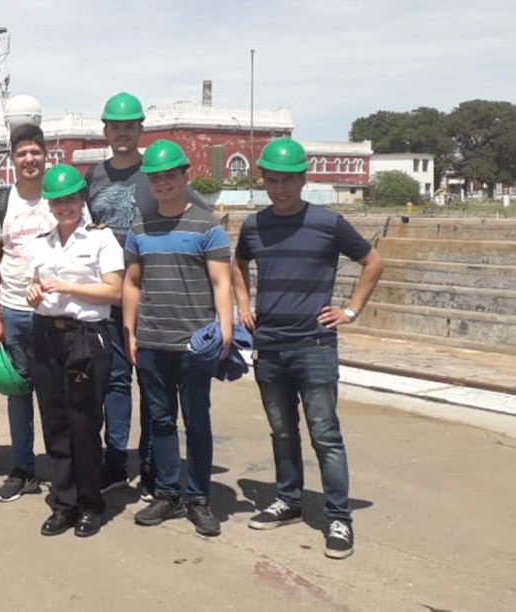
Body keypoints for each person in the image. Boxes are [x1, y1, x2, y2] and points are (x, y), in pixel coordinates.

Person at [232, 137, 384, 559]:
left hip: (314, 345)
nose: (279, 188)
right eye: (273, 180)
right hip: (270, 345)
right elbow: (238, 264)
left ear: (303, 179)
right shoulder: (254, 226)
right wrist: (243, 305)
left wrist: (351, 311)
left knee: (325, 435)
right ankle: (290, 499)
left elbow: (373, 262)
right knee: (282, 432)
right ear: (264, 179)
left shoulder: (329, 224)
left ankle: (338, 517)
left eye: (288, 180)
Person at [84, 92, 211, 499]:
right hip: (108, 297)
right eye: (115, 126)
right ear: (105, 131)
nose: (122, 133)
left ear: (140, 130)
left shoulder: (158, 171)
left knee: (154, 387)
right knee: (116, 383)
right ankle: (117, 460)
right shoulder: (93, 177)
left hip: (152, 299)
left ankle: (156, 466)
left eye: (130, 126)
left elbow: (202, 218)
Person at [122, 140, 233, 537]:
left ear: (185, 176)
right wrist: (130, 331)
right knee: (162, 420)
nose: (164, 183)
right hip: (153, 341)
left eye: (170, 175)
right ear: (150, 183)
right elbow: (132, 284)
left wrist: (225, 328)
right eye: (157, 178)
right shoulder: (138, 229)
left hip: (194, 343)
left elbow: (221, 282)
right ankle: (167, 494)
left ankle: (199, 498)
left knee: (197, 422)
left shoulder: (206, 225)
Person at [26, 164, 124, 537]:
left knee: (84, 423)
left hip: (85, 336)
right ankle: (63, 503)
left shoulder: (101, 239)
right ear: (49, 205)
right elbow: (34, 289)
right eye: (57, 201)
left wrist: (69, 287)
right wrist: (33, 293)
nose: (64, 207)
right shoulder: (42, 243)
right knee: (54, 423)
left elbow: (113, 290)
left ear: (82, 200)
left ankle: (90, 504)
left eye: (71, 199)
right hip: (46, 333)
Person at [0, 123, 51, 503]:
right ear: (13, 158)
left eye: (35, 152)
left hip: (57, 314)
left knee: (58, 395)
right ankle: (22, 469)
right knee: (18, 393)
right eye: (21, 153)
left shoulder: (63, 196)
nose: (29, 159)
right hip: (16, 312)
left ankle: (65, 469)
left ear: (45, 155)